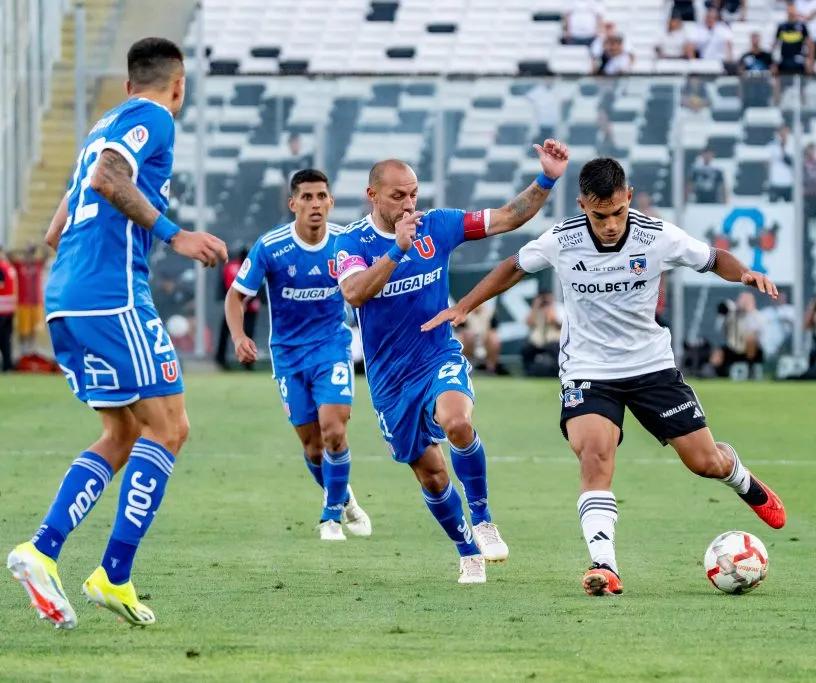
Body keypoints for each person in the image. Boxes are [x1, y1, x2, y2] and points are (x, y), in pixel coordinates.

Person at [423, 157, 786, 597]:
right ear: (582, 206)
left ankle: (742, 479)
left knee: (705, 462)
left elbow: (713, 259)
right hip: (588, 370)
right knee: (595, 455)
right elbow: (514, 267)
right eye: (600, 216)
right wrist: (465, 305)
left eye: (617, 212)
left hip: (651, 366)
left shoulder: (658, 236)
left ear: (628, 198)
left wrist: (743, 273)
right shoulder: (563, 239)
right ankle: (604, 566)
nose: (611, 224)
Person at [7, 37, 227, 630]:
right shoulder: (154, 117)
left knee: (124, 431)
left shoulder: (103, 127)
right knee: (171, 427)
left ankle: (43, 551)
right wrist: (176, 234)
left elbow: (56, 228)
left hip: (67, 295)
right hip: (112, 295)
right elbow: (108, 178)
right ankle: (111, 573)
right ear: (178, 86)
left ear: (129, 84)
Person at [335, 139, 571, 584]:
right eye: (397, 195)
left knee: (457, 422)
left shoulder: (438, 225)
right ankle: (467, 551)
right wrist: (397, 250)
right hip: (390, 382)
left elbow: (508, 216)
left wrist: (547, 178)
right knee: (432, 476)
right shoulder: (350, 242)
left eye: (413, 193)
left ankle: (483, 518)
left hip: (437, 356)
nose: (409, 204)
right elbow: (355, 293)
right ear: (372, 195)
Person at [225, 169, 373, 541]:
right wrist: (239, 336)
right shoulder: (271, 246)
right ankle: (345, 498)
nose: (315, 204)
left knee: (334, 431)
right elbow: (236, 296)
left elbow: (370, 286)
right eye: (306, 197)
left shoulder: (344, 243)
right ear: (293, 204)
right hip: (288, 356)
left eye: (321, 196)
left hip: (332, 348)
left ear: (331, 202)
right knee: (313, 448)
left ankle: (330, 518)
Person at [214, 244, 259, 370]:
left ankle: (248, 362)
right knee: (226, 333)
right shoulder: (232, 267)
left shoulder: (256, 266)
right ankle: (220, 359)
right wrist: (239, 302)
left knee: (249, 334)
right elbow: (231, 289)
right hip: (234, 306)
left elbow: (259, 286)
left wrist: (245, 302)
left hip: (250, 307)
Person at [13, 243, 45, 355]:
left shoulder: (38, 264)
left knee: (35, 329)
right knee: (23, 330)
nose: (30, 256)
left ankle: (31, 351)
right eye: (28, 253)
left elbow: (46, 254)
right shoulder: (19, 264)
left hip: (36, 302)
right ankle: (23, 351)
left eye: (31, 253)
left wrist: (38, 247)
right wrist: (23, 249)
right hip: (23, 303)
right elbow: (9, 255)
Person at [0, 246, 15, 371]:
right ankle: (7, 365)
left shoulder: (1, 268)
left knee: (3, 339)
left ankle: (7, 365)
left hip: (2, 310)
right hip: (10, 309)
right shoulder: (9, 267)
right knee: (6, 339)